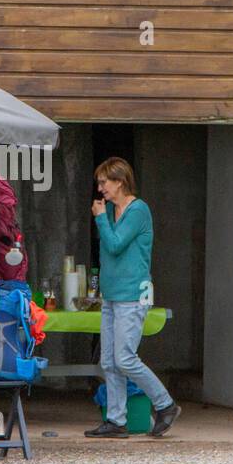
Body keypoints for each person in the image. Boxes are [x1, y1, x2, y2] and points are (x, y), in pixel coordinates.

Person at [84, 157, 181, 439]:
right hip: (112, 294)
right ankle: (116, 420)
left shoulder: (138, 211)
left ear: (120, 181)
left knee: (124, 358)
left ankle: (165, 404)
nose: (100, 187)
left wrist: (100, 218)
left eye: (104, 182)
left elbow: (114, 245)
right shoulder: (113, 210)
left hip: (132, 294)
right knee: (110, 361)